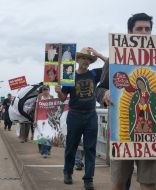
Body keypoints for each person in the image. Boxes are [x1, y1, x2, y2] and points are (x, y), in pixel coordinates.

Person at [95, 13, 156, 190]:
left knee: (149, 181)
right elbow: (98, 89)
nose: (143, 32)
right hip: (122, 129)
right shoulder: (114, 59)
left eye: (147, 29)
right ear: (129, 33)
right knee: (119, 180)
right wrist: (106, 93)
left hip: (150, 132)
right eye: (139, 29)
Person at [55, 47, 104, 190]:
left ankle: (88, 179)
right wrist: (58, 92)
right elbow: (63, 98)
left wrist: (99, 54)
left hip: (91, 115)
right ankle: (68, 172)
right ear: (77, 60)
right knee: (71, 146)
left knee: (90, 148)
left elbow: (112, 65)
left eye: (89, 59)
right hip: (74, 114)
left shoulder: (95, 73)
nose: (86, 61)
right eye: (84, 58)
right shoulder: (69, 76)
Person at [34, 85, 53, 158]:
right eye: (44, 90)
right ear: (42, 91)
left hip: (49, 119)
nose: (45, 91)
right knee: (43, 135)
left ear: (49, 90)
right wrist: (35, 120)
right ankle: (44, 151)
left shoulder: (52, 98)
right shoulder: (39, 98)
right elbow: (36, 109)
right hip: (40, 119)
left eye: (47, 89)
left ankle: (47, 150)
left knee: (49, 136)